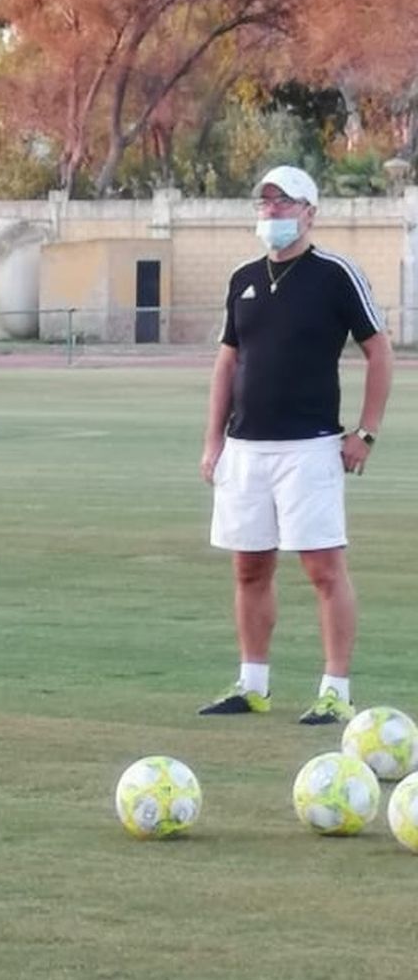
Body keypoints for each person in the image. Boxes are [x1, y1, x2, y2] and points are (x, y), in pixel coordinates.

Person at [198, 164, 394, 725]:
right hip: (245, 450)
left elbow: (379, 351)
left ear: (310, 212)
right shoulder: (243, 278)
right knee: (249, 568)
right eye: (265, 202)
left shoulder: (335, 275)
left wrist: (365, 432)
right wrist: (213, 441)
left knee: (324, 569)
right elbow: (228, 361)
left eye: (283, 202)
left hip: (309, 448)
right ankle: (252, 684)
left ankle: (335, 690)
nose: (272, 211)